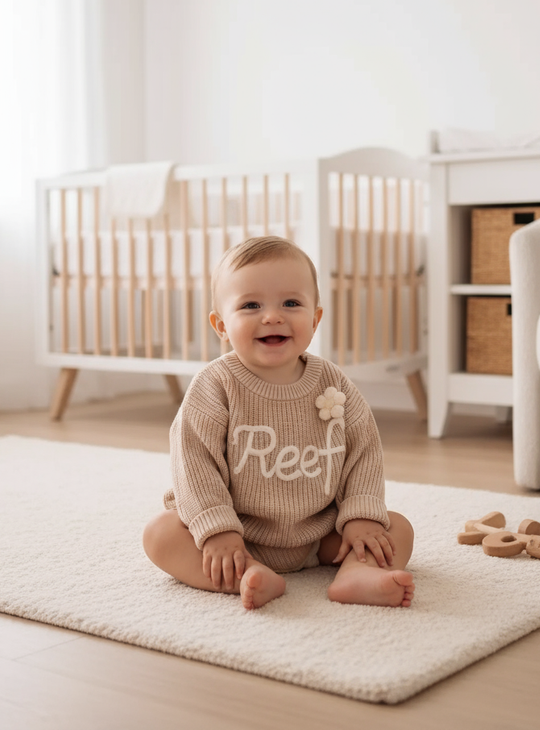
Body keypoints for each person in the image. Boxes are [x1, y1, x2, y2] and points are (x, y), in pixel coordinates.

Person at [143, 236, 414, 610]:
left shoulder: (334, 384)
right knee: (160, 535)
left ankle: (356, 573)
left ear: (315, 319)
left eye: (291, 303)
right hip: (238, 534)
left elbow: (364, 453)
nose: (272, 316)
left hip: (318, 534)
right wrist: (216, 530)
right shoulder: (215, 385)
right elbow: (193, 462)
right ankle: (247, 574)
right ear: (221, 325)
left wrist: (360, 518)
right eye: (251, 305)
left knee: (396, 528)